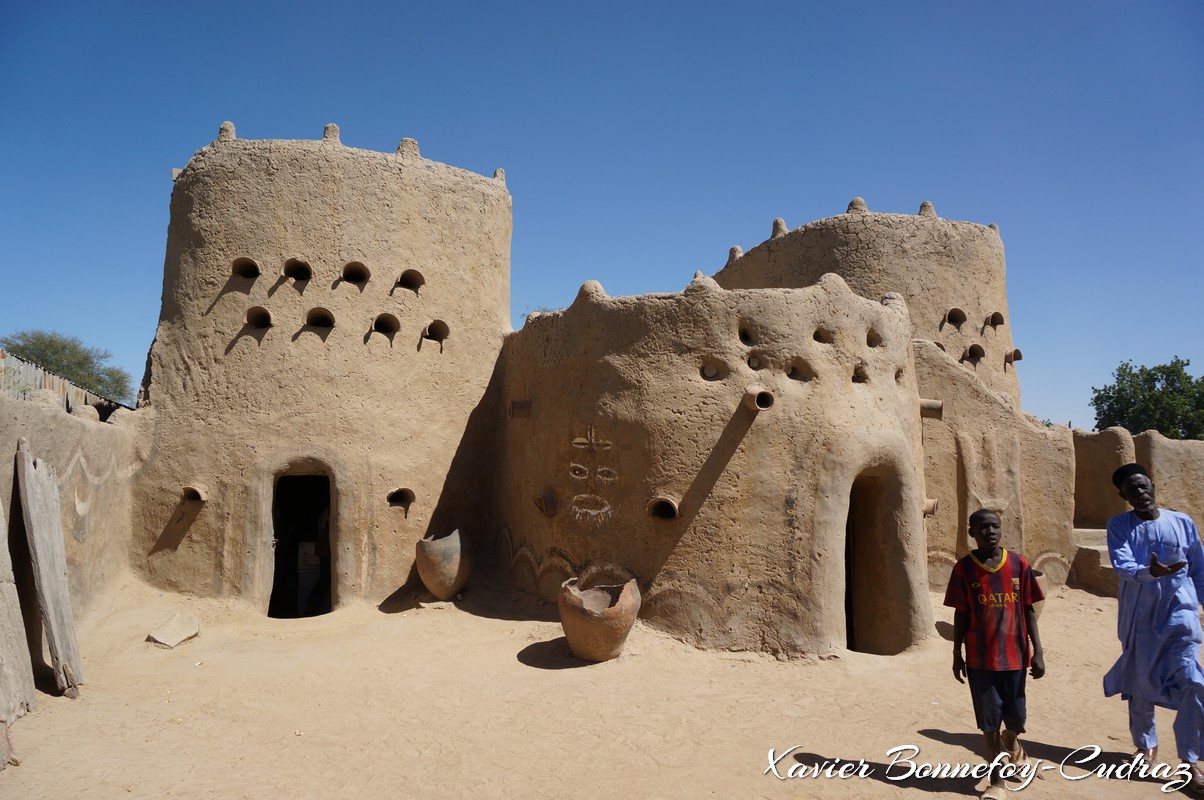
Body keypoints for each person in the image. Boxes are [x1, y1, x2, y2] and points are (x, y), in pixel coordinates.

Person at [1103, 463, 1204, 792]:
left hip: (1181, 616)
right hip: (1140, 618)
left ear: (1153, 485)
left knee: (1193, 682)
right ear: (1124, 496)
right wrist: (1152, 571)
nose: (1140, 493)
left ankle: (1191, 761)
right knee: (1141, 683)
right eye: (1132, 490)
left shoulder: (1182, 522)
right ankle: (1146, 747)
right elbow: (1124, 565)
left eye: (1144, 485)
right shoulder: (1120, 526)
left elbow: (1198, 568)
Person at [945, 508, 1045, 800]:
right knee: (989, 723)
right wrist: (956, 653)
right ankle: (996, 783)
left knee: (1015, 720)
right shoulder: (963, 569)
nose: (990, 531)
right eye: (984, 527)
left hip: (1016, 657)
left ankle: (1012, 743)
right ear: (971, 532)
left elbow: (1029, 610)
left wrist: (1038, 651)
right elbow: (961, 614)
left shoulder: (1018, 565)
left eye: (995, 526)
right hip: (980, 659)